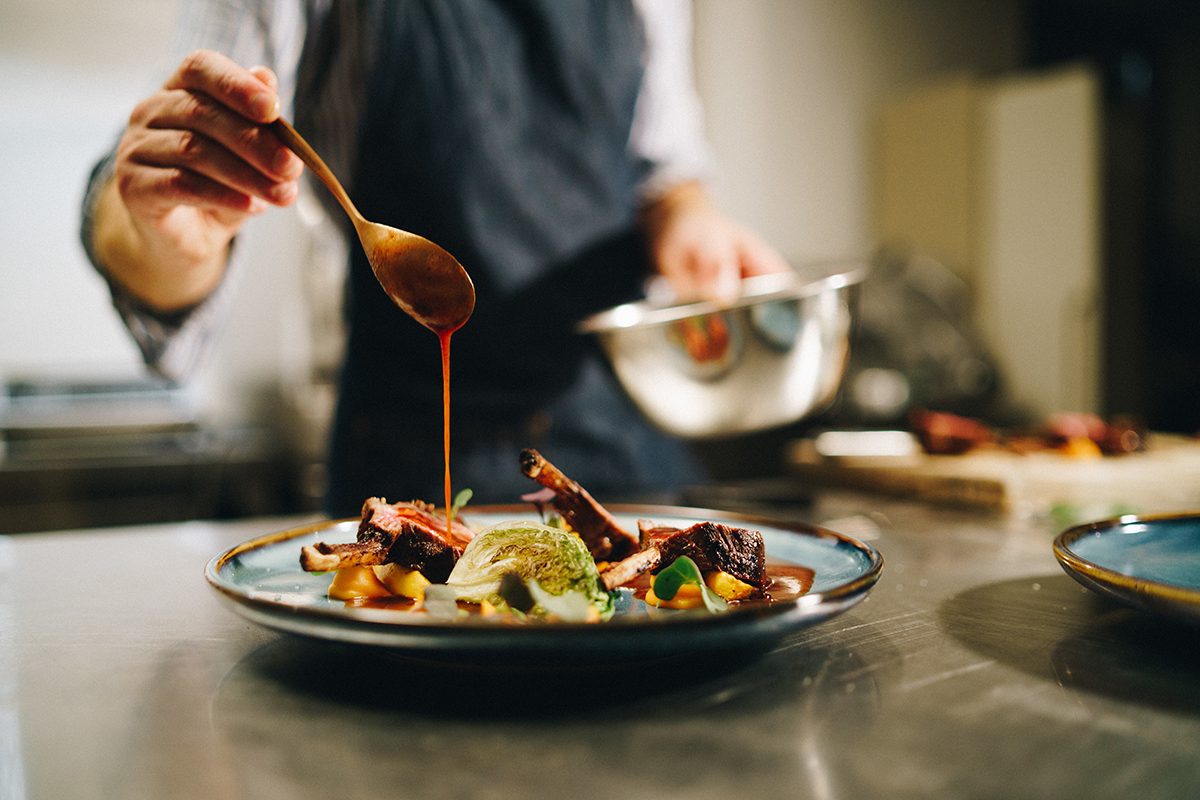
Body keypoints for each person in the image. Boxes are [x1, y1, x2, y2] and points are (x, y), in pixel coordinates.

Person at [81, 0, 791, 516]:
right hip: (413, 473)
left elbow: (663, 169)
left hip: (629, 454)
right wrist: (162, 230)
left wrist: (688, 219)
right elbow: (155, 190)